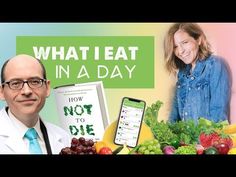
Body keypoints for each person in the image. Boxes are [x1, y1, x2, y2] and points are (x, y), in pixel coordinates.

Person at [0, 54, 71, 154]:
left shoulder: (64, 138)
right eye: (15, 83)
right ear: (2, 92)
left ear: (47, 88)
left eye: (35, 81)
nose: (27, 91)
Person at [164, 23, 231, 123]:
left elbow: (218, 118)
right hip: (185, 139)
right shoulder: (182, 74)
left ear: (198, 39)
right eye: (175, 47)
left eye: (185, 42)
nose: (181, 51)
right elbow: (174, 117)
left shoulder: (215, 65)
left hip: (206, 138)